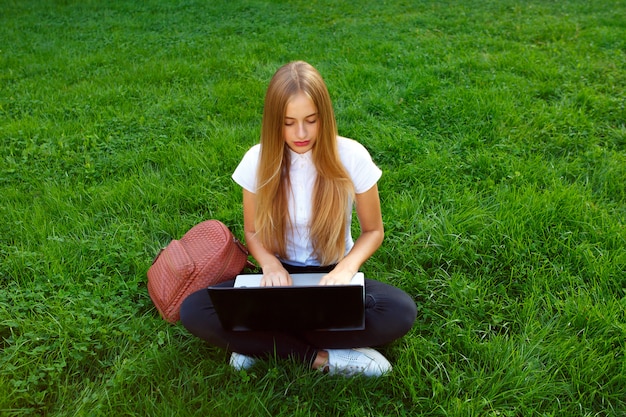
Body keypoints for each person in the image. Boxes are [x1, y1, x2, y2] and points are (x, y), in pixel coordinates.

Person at [180, 61, 417, 377]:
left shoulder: (352, 156)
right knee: (195, 310)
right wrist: (270, 264)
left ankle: (261, 343)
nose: (301, 133)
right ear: (273, 121)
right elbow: (251, 232)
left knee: (399, 312)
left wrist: (347, 268)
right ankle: (322, 359)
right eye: (288, 123)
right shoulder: (257, 159)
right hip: (277, 279)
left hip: (332, 277)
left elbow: (373, 231)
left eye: (310, 120)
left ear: (325, 117)